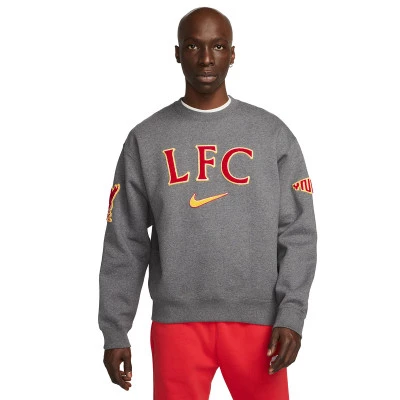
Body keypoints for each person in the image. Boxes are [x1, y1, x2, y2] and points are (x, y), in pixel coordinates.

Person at [98, 6, 317, 400]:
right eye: (193, 46)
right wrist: (115, 329)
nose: (205, 58)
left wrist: (291, 314)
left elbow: (298, 233)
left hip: (260, 324)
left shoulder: (271, 135)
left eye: (217, 46)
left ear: (232, 54)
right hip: (176, 324)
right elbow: (125, 240)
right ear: (177, 53)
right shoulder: (146, 139)